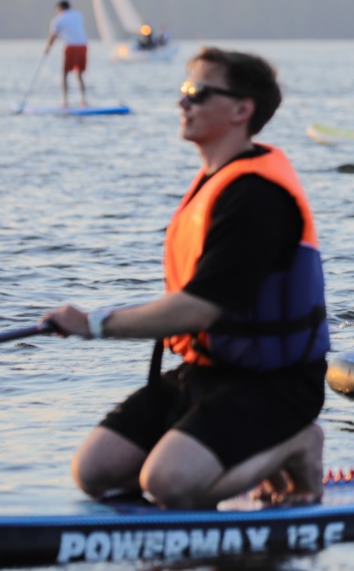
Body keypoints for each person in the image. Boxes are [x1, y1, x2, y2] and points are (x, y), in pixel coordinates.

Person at [41, 47, 330, 509]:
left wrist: (94, 324)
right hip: (205, 373)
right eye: (183, 90)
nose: (183, 102)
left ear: (241, 110)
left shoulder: (257, 197)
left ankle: (295, 442)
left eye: (197, 92)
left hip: (276, 384)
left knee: (168, 484)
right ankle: (217, 453)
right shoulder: (213, 182)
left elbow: (199, 307)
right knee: (93, 472)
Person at [44, 0, 88, 107]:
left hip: (71, 46)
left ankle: (65, 102)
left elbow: (53, 36)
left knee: (64, 74)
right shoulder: (78, 15)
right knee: (79, 74)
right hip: (83, 46)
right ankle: (83, 100)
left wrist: (47, 49)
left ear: (60, 8)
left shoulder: (58, 19)